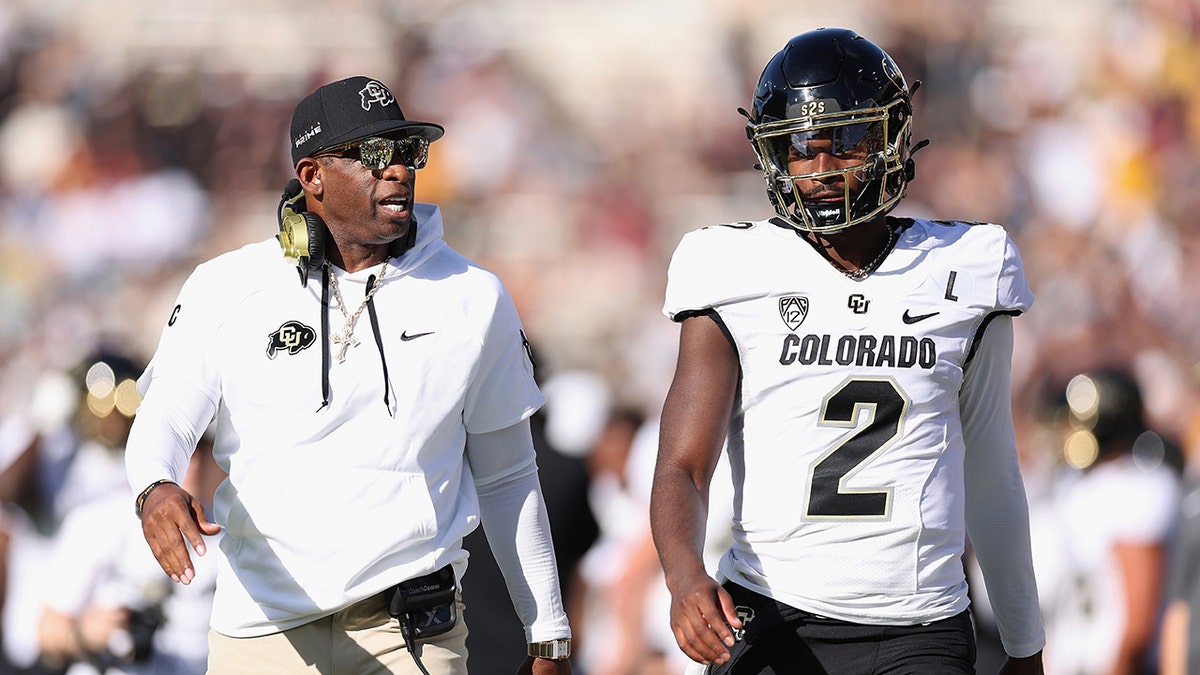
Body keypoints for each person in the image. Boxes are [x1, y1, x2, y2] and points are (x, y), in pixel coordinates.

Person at [123, 75, 573, 674]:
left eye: (408, 152)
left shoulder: (473, 298)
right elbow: (166, 417)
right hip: (260, 632)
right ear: (312, 176)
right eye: (375, 155)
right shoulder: (225, 286)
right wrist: (154, 486)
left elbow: (508, 477)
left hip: (412, 626)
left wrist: (549, 634)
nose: (400, 171)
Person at [649, 28, 1045, 674]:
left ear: (892, 138)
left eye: (849, 140)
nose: (824, 166)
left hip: (919, 621)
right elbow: (684, 466)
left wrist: (1025, 644)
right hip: (772, 610)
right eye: (802, 146)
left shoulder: (969, 266)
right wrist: (685, 575)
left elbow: (991, 468)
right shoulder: (728, 265)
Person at [1038, 369, 1179, 675]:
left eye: (1075, 418)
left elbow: (1137, 626)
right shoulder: (1078, 486)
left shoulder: (1140, 488)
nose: (1064, 429)